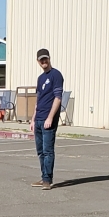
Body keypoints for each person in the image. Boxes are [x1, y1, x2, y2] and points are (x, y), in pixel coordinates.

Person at [32, 48, 64, 190]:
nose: (43, 62)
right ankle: (43, 176)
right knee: (40, 151)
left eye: (46, 59)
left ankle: (47, 180)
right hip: (38, 118)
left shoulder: (56, 75)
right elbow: (38, 99)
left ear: (49, 59)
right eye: (41, 60)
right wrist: (33, 119)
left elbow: (58, 98)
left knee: (47, 150)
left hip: (47, 119)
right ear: (38, 61)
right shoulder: (40, 78)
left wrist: (50, 117)